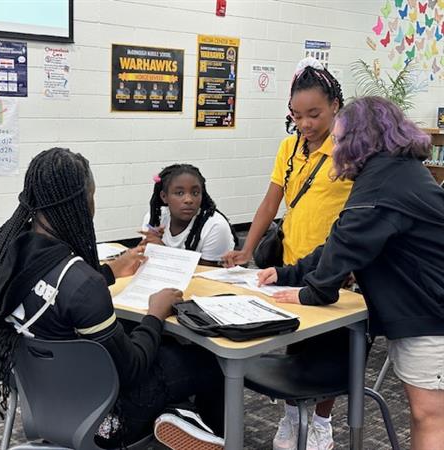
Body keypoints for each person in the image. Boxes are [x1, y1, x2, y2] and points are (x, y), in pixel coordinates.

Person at [0, 148, 225, 450]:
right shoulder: (81, 284)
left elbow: (52, 287)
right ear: (81, 202)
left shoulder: (2, 253)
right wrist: (155, 314)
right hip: (103, 423)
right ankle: (182, 418)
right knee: (207, 361)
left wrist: (109, 272)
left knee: (140, 338)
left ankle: (179, 414)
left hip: (44, 400)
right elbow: (131, 370)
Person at [257, 96, 444, 450]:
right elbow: (341, 240)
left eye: (341, 139)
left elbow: (341, 249)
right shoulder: (396, 171)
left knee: (430, 416)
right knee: (429, 415)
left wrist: (310, 291)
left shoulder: (381, 181)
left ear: (362, 138)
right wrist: (287, 273)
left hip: (431, 313)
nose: (336, 147)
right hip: (426, 306)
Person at [223, 57, 351, 450]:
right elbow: (270, 202)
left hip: (335, 267)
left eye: (314, 114)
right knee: (296, 343)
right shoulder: (289, 147)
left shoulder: (350, 150)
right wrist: (246, 248)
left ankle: (322, 421)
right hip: (292, 263)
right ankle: (292, 414)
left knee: (332, 349)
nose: (306, 123)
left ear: (334, 105)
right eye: (297, 115)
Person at [140, 164, 238, 266]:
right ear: (164, 196)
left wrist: (163, 251)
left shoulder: (216, 226)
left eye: (195, 193)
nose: (189, 200)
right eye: (179, 193)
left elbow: (206, 273)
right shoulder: (154, 218)